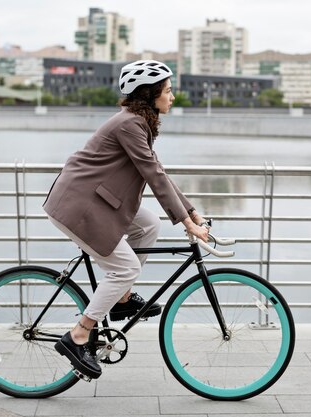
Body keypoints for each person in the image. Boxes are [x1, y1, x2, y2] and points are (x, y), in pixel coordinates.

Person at [43, 60, 210, 379]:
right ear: (150, 94)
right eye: (168, 90)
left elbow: (157, 170)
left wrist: (190, 212)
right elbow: (153, 174)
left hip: (95, 202)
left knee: (149, 224)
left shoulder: (137, 122)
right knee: (126, 267)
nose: (172, 96)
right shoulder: (129, 124)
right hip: (78, 207)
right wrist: (188, 224)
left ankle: (120, 298)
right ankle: (78, 335)